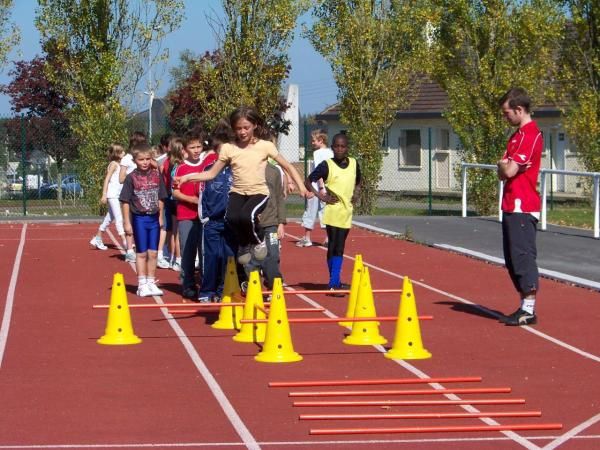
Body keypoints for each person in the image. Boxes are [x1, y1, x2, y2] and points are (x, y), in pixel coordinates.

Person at [175, 106, 309, 266]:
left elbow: (288, 166)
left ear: (254, 126)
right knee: (232, 218)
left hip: (259, 192)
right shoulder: (229, 148)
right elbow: (211, 174)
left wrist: (301, 187)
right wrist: (187, 178)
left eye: (246, 127)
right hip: (238, 192)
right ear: (233, 129)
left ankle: (258, 241)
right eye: (238, 128)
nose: (242, 132)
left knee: (246, 216)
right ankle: (245, 246)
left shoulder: (265, 146)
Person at [497, 87, 543, 326]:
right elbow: (501, 172)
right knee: (511, 258)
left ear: (519, 109)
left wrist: (505, 165)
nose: (505, 117)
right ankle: (524, 305)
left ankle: (529, 308)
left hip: (522, 205)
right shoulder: (515, 137)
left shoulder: (530, 135)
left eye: (507, 113)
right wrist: (504, 166)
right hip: (510, 203)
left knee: (522, 256)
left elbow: (509, 169)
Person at [305, 133, 361, 296]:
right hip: (332, 210)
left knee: (337, 246)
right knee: (337, 246)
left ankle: (334, 281)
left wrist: (356, 194)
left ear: (347, 148)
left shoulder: (354, 163)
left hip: (346, 211)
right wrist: (321, 195)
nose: (339, 149)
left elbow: (358, 181)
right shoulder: (326, 165)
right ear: (332, 148)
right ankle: (333, 283)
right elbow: (308, 181)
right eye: (336, 146)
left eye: (342, 146)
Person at [173, 129, 217, 300]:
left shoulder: (208, 165)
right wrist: (193, 200)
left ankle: (207, 285)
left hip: (206, 216)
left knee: (206, 252)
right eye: (192, 147)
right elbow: (175, 193)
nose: (196, 150)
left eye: (199, 146)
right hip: (187, 216)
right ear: (185, 149)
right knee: (188, 252)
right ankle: (188, 284)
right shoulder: (181, 168)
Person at [119, 143, 168, 297]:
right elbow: (125, 201)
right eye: (141, 159)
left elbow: (161, 197)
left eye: (148, 159)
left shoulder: (156, 175)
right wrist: (127, 222)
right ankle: (141, 284)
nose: (145, 162)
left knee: (153, 253)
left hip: (154, 218)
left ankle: (151, 281)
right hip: (139, 218)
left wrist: (160, 217)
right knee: (141, 253)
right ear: (135, 160)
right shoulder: (131, 177)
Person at [197, 121, 236, 302]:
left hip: (231, 222)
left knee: (228, 257)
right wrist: (203, 217)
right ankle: (207, 291)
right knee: (211, 257)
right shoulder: (208, 170)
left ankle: (223, 290)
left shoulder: (238, 170)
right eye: (221, 151)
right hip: (212, 221)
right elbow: (202, 194)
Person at [245, 160, 286, 290]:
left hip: (271, 223)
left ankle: (273, 284)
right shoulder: (247, 168)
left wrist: (281, 222)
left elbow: (279, 197)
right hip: (252, 224)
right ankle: (253, 287)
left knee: (273, 255)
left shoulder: (274, 170)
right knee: (252, 258)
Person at [296, 129, 333, 247]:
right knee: (325, 212)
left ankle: (307, 238)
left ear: (321, 140)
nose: (312, 143)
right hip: (328, 188)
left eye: (313, 141)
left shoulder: (318, 154)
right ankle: (328, 239)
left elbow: (319, 171)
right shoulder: (331, 152)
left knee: (310, 211)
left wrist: (320, 188)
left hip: (316, 188)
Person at [89, 144, 127, 251]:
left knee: (109, 218)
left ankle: (97, 237)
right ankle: (125, 241)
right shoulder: (114, 164)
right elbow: (107, 179)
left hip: (116, 195)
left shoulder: (120, 164)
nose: (124, 153)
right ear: (117, 154)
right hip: (112, 195)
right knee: (119, 218)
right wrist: (104, 194)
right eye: (122, 152)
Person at [119, 131, 148, 262]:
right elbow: (121, 178)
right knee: (130, 221)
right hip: (131, 194)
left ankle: (142, 247)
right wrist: (134, 176)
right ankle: (130, 250)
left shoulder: (145, 157)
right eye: (141, 143)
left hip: (144, 193)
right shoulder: (127, 158)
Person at [160, 136, 185, 271]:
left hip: (171, 199)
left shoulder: (168, 163)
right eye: (183, 149)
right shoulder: (178, 166)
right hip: (176, 200)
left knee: (174, 230)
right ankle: (177, 259)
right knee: (177, 231)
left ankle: (172, 257)